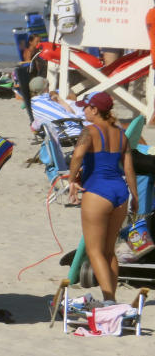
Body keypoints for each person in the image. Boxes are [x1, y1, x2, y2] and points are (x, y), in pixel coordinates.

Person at [68, 91, 137, 304]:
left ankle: (108, 301)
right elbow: (128, 168)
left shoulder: (89, 131)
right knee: (109, 252)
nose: (83, 110)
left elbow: (78, 155)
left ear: (95, 109)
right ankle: (111, 299)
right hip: (120, 192)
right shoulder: (121, 133)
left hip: (98, 191)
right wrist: (135, 197)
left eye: (86, 107)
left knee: (94, 251)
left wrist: (72, 180)